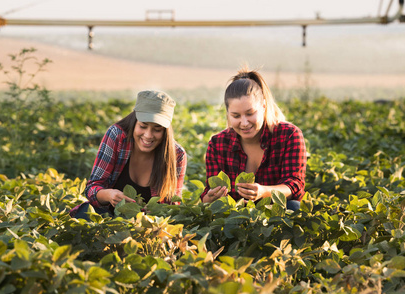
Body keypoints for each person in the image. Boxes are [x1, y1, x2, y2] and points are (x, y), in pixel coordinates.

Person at [201, 67, 307, 211]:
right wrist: (211, 197)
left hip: (274, 214)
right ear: (228, 114)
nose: (244, 123)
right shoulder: (218, 144)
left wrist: (263, 192)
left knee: (294, 206)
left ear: (263, 106)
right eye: (236, 116)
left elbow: (295, 185)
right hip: (235, 217)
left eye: (250, 113)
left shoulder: (288, 134)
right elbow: (207, 196)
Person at [70, 90, 187, 219]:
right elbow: (92, 188)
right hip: (106, 216)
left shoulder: (176, 155)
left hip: (146, 227)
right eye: (143, 126)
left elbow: (174, 206)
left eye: (157, 129)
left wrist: (155, 213)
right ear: (135, 121)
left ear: (166, 131)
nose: (148, 135)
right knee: (87, 214)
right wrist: (109, 195)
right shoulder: (117, 136)